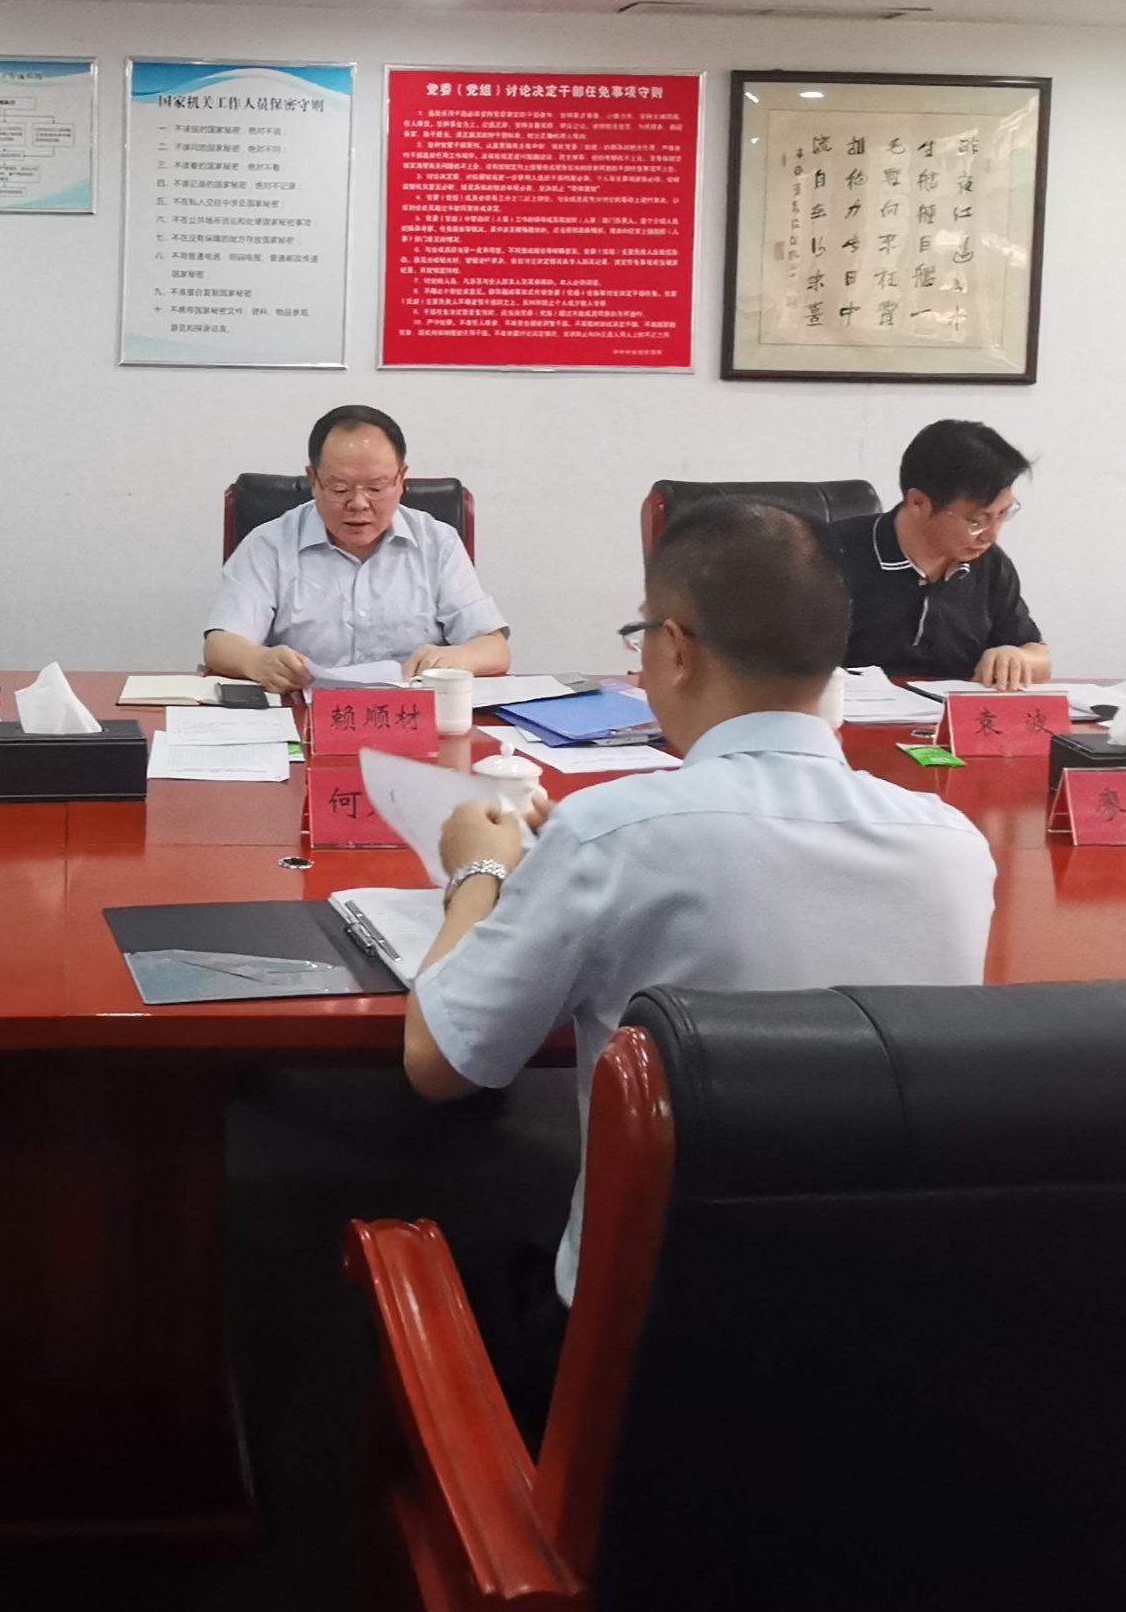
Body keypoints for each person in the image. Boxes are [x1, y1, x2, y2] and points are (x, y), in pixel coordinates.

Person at [399, 501, 998, 1386]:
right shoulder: (954, 848)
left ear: (676, 647)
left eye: (642, 635)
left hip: (642, 1364)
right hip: (879, 1349)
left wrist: (479, 872)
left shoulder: (611, 833)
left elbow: (440, 1060)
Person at [205, 405, 510, 693]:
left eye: (376, 488)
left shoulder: (438, 543)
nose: (359, 503)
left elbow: (494, 648)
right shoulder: (269, 544)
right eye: (340, 489)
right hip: (305, 715)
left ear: (401, 480)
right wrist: (259, 662)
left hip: (412, 716)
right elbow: (221, 644)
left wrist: (456, 658)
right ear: (314, 480)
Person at [835, 418, 1049, 689]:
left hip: (951, 713)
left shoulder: (990, 563)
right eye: (976, 521)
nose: (992, 536)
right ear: (918, 503)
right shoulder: (828, 556)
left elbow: (1040, 658)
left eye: (1003, 514)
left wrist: (1017, 657)